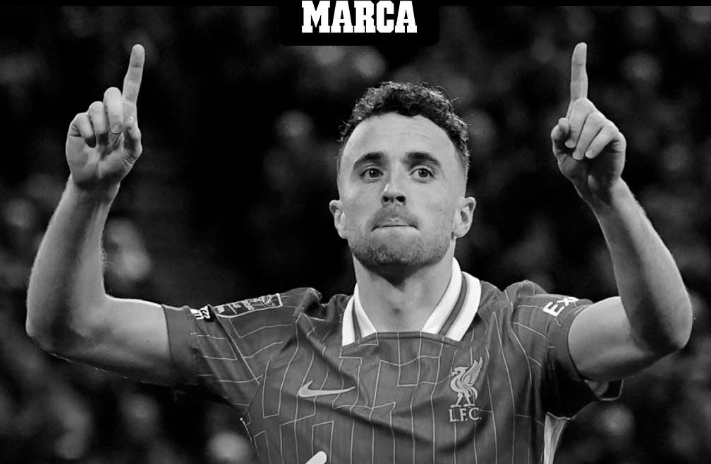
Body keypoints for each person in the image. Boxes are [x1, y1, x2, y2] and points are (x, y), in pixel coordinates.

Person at [25, 42, 692, 464]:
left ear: (463, 214)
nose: (393, 187)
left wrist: (608, 196)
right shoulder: (271, 343)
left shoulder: (524, 332)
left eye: (422, 170)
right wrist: (90, 191)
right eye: (370, 171)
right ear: (339, 216)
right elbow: (70, 325)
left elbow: (658, 329)